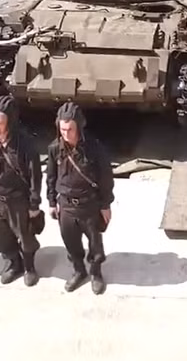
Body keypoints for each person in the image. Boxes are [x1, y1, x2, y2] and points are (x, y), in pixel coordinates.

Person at [0, 95, 44, 286]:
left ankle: (29, 266)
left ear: (10, 122)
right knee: (0, 236)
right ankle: (13, 263)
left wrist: (34, 204)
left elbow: (35, 176)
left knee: (25, 236)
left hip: (18, 200)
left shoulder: (25, 143)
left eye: (0, 123)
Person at [45, 102, 115, 295]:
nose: (66, 134)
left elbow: (105, 177)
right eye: (62, 130)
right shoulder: (55, 149)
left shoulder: (94, 148)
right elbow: (51, 176)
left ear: (79, 127)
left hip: (89, 205)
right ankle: (78, 271)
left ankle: (95, 273)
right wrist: (51, 202)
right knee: (71, 242)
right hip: (66, 205)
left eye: (70, 130)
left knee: (95, 243)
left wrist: (105, 204)